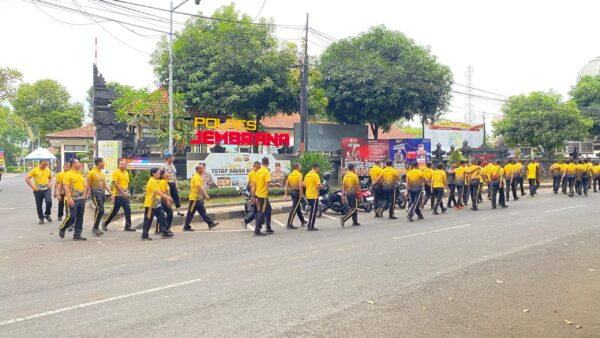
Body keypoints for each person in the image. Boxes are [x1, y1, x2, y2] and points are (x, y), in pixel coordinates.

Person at [141, 168, 174, 241]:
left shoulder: (157, 181)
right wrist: (167, 197)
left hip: (157, 204)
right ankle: (144, 235)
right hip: (150, 204)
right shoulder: (151, 181)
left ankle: (165, 232)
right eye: (158, 173)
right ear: (153, 173)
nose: (160, 174)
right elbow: (157, 192)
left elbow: (161, 190)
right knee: (148, 220)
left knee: (162, 217)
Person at [184, 165, 219, 231]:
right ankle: (210, 223)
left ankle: (210, 223)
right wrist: (206, 195)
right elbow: (199, 187)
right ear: (197, 170)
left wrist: (203, 195)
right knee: (196, 212)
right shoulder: (196, 177)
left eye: (203, 168)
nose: (202, 170)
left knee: (195, 212)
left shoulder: (198, 176)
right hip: (195, 198)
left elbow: (200, 187)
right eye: (201, 169)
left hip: (197, 198)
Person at [59, 159, 86, 241]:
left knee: (80, 217)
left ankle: (77, 235)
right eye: (78, 162)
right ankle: (63, 228)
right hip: (72, 199)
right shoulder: (68, 174)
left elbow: (84, 186)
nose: (80, 164)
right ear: (73, 164)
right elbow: (65, 187)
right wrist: (69, 199)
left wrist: (85, 195)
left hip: (81, 199)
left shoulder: (80, 175)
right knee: (72, 216)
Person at [103, 159, 134, 232]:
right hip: (118, 195)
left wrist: (127, 193)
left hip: (125, 195)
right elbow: (115, 184)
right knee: (114, 211)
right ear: (118, 165)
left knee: (128, 210)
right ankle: (105, 224)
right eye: (122, 164)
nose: (123, 165)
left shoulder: (126, 173)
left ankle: (128, 226)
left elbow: (127, 183)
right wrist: (122, 192)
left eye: (124, 164)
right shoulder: (115, 172)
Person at [85, 157, 111, 237]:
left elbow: (104, 184)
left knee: (98, 210)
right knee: (101, 209)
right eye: (103, 162)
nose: (104, 164)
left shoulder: (102, 173)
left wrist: (110, 192)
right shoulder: (91, 173)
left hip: (102, 194)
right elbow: (88, 185)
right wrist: (85, 196)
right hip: (95, 194)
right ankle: (95, 228)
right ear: (99, 163)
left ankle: (96, 228)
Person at [25, 159, 53, 224]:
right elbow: (27, 179)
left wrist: (50, 183)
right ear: (40, 163)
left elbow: (50, 178)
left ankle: (47, 214)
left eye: (46, 164)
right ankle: (41, 218)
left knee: (49, 201)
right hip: (38, 190)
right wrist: (33, 188)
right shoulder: (35, 170)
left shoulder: (47, 169)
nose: (45, 166)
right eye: (43, 164)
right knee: (39, 205)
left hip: (46, 189)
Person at [252, 157, 273, 236]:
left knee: (269, 210)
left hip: (258, 194)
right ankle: (257, 230)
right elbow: (268, 183)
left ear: (262, 163)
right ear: (268, 163)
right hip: (263, 195)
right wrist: (266, 191)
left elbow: (254, 185)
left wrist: (253, 195)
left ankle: (268, 227)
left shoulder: (258, 171)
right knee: (261, 211)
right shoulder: (266, 171)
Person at [284, 163, 306, 229]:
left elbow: (286, 185)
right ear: (298, 167)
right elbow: (300, 185)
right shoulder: (299, 175)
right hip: (297, 192)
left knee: (297, 207)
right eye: (300, 166)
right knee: (294, 208)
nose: (301, 167)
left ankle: (303, 221)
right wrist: (301, 193)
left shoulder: (290, 175)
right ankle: (289, 224)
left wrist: (285, 194)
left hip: (292, 192)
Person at [241, 161, 261, 229]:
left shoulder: (252, 173)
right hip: (255, 193)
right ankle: (256, 224)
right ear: (255, 167)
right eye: (258, 167)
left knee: (256, 209)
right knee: (257, 209)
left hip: (253, 193)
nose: (259, 168)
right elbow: (253, 185)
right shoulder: (253, 174)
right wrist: (252, 196)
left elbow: (249, 184)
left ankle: (257, 224)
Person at [304, 163, 322, 231]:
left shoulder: (307, 175)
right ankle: (310, 226)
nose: (319, 169)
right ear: (316, 168)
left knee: (312, 210)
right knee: (313, 211)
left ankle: (310, 225)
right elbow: (318, 185)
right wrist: (322, 187)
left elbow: (305, 185)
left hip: (308, 195)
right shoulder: (315, 175)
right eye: (318, 168)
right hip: (314, 195)